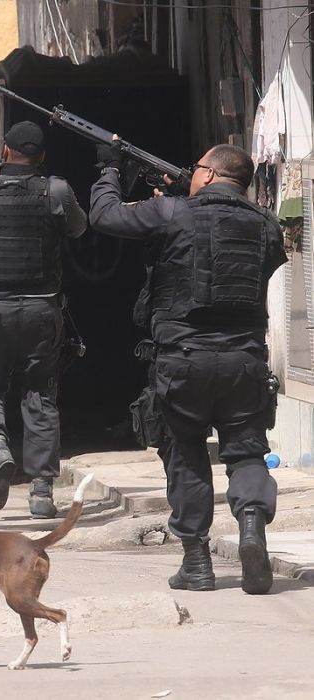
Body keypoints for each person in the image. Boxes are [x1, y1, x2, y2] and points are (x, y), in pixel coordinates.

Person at [89, 143, 287, 594]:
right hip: (244, 362)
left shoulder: (171, 214)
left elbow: (104, 214)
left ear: (212, 175)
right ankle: (251, 528)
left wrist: (108, 168)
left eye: (197, 169)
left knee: (186, 454)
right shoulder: (266, 225)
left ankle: (197, 563)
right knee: (247, 453)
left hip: (183, 361)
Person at [0, 120, 87, 519]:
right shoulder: (56, 190)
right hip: (40, 311)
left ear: (6, 151)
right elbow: (78, 228)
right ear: (41, 156)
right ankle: (42, 490)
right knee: (40, 393)